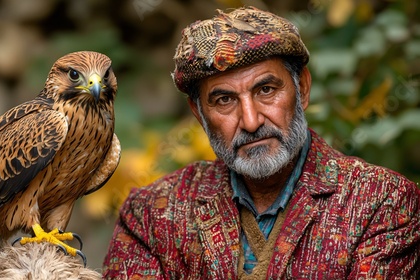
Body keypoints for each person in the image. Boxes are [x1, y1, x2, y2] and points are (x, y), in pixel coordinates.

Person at [103, 6, 420, 279]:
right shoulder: (151, 215)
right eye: (224, 100)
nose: (251, 121)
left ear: (303, 89)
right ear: (199, 115)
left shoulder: (382, 202)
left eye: (266, 90)